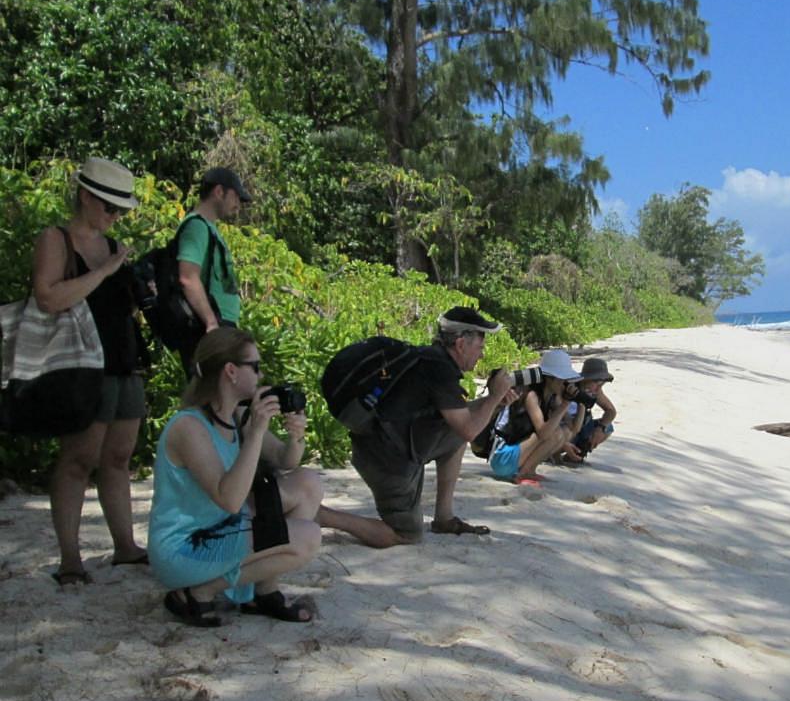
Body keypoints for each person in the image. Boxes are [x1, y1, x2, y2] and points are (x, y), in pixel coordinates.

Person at [149, 328, 321, 626]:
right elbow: (229, 499)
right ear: (230, 371)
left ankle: (263, 592)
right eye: (254, 366)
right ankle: (199, 591)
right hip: (185, 548)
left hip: (222, 528)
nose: (261, 374)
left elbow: (285, 460)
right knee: (308, 536)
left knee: (308, 484)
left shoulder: (235, 416)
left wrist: (296, 437)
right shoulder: (189, 426)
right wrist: (254, 433)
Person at [31, 157, 148, 585]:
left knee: (118, 457)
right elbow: (47, 298)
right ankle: (70, 558)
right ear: (85, 196)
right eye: (109, 207)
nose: (115, 217)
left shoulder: (114, 246)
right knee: (78, 459)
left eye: (121, 210)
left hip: (123, 361)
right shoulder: (56, 239)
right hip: (81, 366)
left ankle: (125, 546)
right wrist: (104, 272)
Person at [317, 307, 515, 548]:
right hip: (386, 460)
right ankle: (323, 515)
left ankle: (444, 518)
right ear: (461, 344)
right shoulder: (440, 371)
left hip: (382, 443)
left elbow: (459, 419)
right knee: (406, 534)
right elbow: (470, 430)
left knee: (454, 436)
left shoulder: (430, 360)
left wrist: (492, 401)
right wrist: (494, 397)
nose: (481, 355)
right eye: (480, 347)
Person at [176, 167, 250, 375]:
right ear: (219, 192)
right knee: (212, 396)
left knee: (227, 398)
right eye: (236, 197)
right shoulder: (196, 226)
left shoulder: (209, 228)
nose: (238, 205)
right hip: (209, 327)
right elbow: (187, 277)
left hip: (220, 325)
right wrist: (211, 324)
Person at [488, 349, 587, 484]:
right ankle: (522, 474)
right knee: (555, 432)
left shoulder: (553, 397)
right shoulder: (531, 395)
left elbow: (573, 429)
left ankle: (529, 470)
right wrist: (565, 405)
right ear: (550, 378)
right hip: (503, 458)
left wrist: (582, 403)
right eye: (563, 379)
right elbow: (543, 434)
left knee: (563, 432)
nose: (565, 383)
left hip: (517, 455)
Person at [567, 357, 616, 463]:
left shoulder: (595, 391)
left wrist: (600, 428)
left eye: (602, 385)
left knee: (608, 427)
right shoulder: (570, 388)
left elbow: (611, 411)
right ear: (586, 379)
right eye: (597, 384)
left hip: (581, 429)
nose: (598, 389)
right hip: (565, 431)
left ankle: (579, 453)